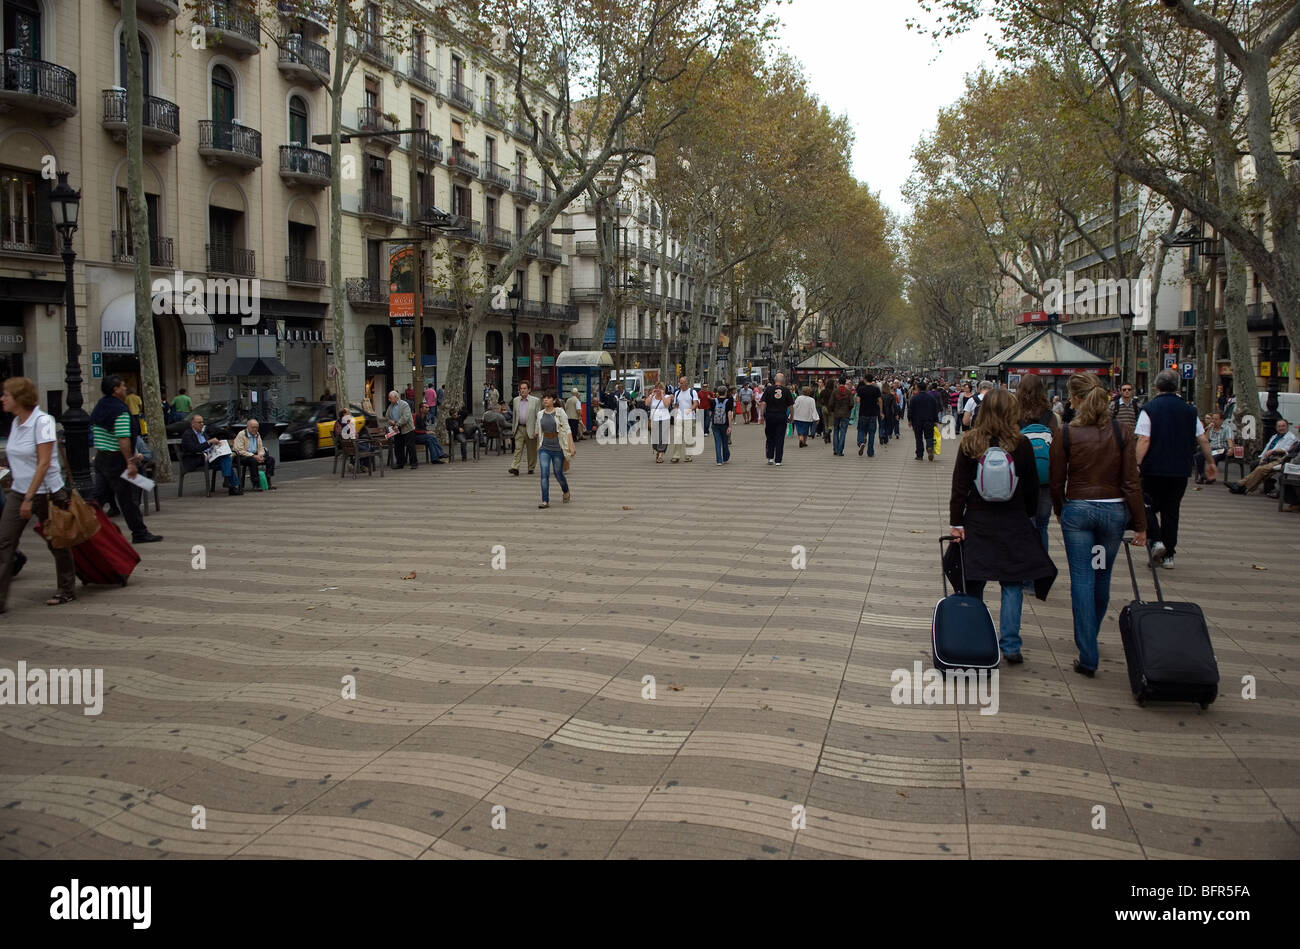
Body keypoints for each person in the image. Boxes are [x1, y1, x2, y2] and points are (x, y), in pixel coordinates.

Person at [948, 387, 1056, 664]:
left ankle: (975, 638)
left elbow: (959, 486)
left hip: (978, 521)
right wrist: (1026, 514)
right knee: (1012, 584)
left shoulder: (971, 442)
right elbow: (1032, 487)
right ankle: (1010, 645)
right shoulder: (1020, 444)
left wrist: (956, 522)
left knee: (974, 582)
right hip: (1013, 521)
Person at [1050, 372, 1147, 677]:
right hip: (1111, 515)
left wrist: (1059, 509)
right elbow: (1132, 481)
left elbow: (1056, 480)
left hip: (1078, 513)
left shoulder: (1066, 433)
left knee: (1082, 580)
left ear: (1076, 399)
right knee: (1101, 575)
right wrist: (1141, 525)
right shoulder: (1121, 432)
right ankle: (1090, 631)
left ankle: (1087, 649)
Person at [0, 377, 77, 610]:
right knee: (5, 541)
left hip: (46, 492)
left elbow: (43, 463)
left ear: (20, 398)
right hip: (19, 490)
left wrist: (29, 498)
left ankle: (66, 589)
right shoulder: (15, 423)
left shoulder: (43, 421)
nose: (2, 398)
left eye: (6, 395)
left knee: (57, 541)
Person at [1134, 369, 1216, 568]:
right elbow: (1202, 438)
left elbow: (1144, 439)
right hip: (1180, 469)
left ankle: (1156, 540)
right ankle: (1169, 555)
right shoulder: (1190, 411)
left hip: (1153, 468)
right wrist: (1210, 461)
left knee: (1145, 505)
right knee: (1172, 510)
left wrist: (1136, 464)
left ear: (1156, 386)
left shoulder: (1149, 408)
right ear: (1177, 387)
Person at [92, 375, 163, 541]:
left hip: (102, 457)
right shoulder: (120, 411)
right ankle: (139, 533)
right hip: (117, 460)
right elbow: (123, 439)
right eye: (123, 386)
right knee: (128, 499)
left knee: (98, 496)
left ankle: (83, 526)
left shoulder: (100, 406)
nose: (125, 388)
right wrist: (130, 462)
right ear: (115, 389)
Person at [1015, 373, 1058, 553]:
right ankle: (1041, 571)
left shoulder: (1014, 415)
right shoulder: (1051, 416)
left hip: (1022, 479)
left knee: (1024, 525)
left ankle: (1026, 573)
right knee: (1042, 526)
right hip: (1044, 479)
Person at [1227, 418, 1298, 494]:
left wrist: (1273, 451)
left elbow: (1286, 450)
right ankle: (1245, 487)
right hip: (1269, 458)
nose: (1281, 428)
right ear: (1276, 427)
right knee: (1254, 464)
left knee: (1260, 469)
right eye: (1279, 426)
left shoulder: (1291, 437)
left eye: (1283, 426)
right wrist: (1262, 457)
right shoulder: (1275, 436)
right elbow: (1267, 448)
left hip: (1279, 459)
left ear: (1287, 427)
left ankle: (1240, 485)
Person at [181, 413, 242, 496]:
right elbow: (194, 448)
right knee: (227, 461)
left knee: (226, 456)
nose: (202, 424)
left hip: (208, 456)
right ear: (193, 424)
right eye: (199, 422)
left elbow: (208, 445)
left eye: (202, 422)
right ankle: (232, 486)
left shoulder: (203, 433)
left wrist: (216, 445)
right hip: (196, 459)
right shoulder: (188, 434)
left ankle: (229, 483)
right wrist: (209, 442)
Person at [535, 391, 574, 508]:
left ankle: (565, 490)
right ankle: (545, 500)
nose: (545, 400)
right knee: (544, 473)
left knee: (558, 473)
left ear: (554, 400)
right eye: (544, 398)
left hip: (557, 447)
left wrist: (571, 445)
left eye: (548, 398)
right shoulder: (540, 414)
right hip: (544, 447)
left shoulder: (560, 412)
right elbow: (539, 428)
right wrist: (537, 434)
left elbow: (567, 429)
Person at [761, 372, 795, 466]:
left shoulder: (768, 389)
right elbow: (790, 405)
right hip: (781, 416)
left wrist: (762, 415)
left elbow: (763, 403)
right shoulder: (786, 390)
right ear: (783, 381)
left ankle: (770, 457)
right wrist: (792, 416)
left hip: (770, 415)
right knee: (780, 437)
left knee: (770, 436)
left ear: (775, 380)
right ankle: (778, 460)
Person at [232, 418, 276, 490]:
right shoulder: (241, 434)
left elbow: (260, 448)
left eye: (256, 427)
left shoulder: (257, 434)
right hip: (242, 456)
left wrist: (260, 455)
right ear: (248, 427)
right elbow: (239, 450)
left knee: (271, 459)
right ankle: (256, 484)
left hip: (255, 455)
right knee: (253, 461)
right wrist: (254, 456)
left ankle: (268, 480)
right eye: (253, 427)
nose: (255, 429)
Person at [509, 381, 541, 475]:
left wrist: (537, 430)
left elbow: (538, 416)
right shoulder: (515, 400)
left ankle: (531, 467)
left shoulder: (535, 401)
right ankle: (515, 467)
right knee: (518, 449)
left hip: (530, 428)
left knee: (531, 450)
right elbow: (514, 416)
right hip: (519, 428)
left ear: (529, 390)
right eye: (521, 389)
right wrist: (513, 429)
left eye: (524, 389)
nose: (522, 391)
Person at [1196, 411, 1234, 484]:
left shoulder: (1227, 428)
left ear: (1221, 420)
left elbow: (1229, 439)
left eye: (1216, 419)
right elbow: (1206, 440)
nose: (1213, 421)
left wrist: (1231, 448)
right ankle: (1203, 475)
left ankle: (1210, 477)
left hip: (1221, 449)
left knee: (1213, 456)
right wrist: (1208, 429)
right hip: (1211, 449)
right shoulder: (1211, 428)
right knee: (1198, 456)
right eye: (1212, 419)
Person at [907, 381, 939, 461]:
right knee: (929, 436)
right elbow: (935, 409)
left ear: (918, 388)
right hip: (929, 420)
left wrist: (909, 420)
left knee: (918, 438)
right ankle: (929, 447)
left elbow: (910, 410)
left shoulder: (914, 398)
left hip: (917, 421)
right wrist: (935, 420)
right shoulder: (931, 398)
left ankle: (919, 455)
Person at [386, 390, 417, 469]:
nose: (389, 400)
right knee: (398, 446)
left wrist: (397, 424)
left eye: (390, 398)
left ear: (396, 397)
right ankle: (400, 463)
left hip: (407, 428)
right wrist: (391, 421)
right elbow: (387, 416)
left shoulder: (404, 404)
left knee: (410, 446)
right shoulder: (390, 406)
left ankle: (413, 463)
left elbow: (405, 417)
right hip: (396, 428)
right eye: (389, 398)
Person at [671, 375, 698, 463]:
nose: (680, 384)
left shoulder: (692, 392)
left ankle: (688, 455)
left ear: (687, 383)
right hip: (679, 417)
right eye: (680, 383)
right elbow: (676, 404)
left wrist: (690, 410)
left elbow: (696, 403)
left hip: (689, 418)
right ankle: (676, 455)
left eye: (682, 383)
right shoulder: (677, 393)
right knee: (678, 437)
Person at [856, 373, 883, 457]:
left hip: (863, 413)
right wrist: (881, 412)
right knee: (871, 433)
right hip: (873, 414)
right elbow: (880, 400)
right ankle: (870, 452)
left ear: (865, 379)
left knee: (861, 430)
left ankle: (861, 443)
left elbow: (858, 400)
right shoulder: (876, 389)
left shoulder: (861, 389)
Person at [710, 385, 734, 465]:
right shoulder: (729, 401)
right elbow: (729, 414)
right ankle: (725, 457)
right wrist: (730, 426)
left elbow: (710, 413)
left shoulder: (713, 401)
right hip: (725, 424)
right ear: (726, 392)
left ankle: (719, 460)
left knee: (717, 442)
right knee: (725, 441)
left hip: (715, 424)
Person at [648, 383, 672, 463]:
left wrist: (662, 395)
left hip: (664, 419)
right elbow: (646, 403)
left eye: (661, 388)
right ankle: (658, 450)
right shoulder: (652, 397)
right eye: (657, 387)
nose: (659, 389)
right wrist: (652, 394)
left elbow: (666, 404)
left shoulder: (667, 397)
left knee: (663, 437)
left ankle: (661, 454)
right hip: (654, 420)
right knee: (655, 438)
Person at [829, 379, 854, 456]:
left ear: (839, 382)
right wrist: (848, 410)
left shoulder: (835, 391)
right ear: (844, 383)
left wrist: (833, 410)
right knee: (843, 432)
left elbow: (831, 403)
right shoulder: (848, 392)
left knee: (836, 431)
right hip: (845, 414)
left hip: (836, 414)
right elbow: (851, 404)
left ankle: (835, 449)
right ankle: (840, 451)